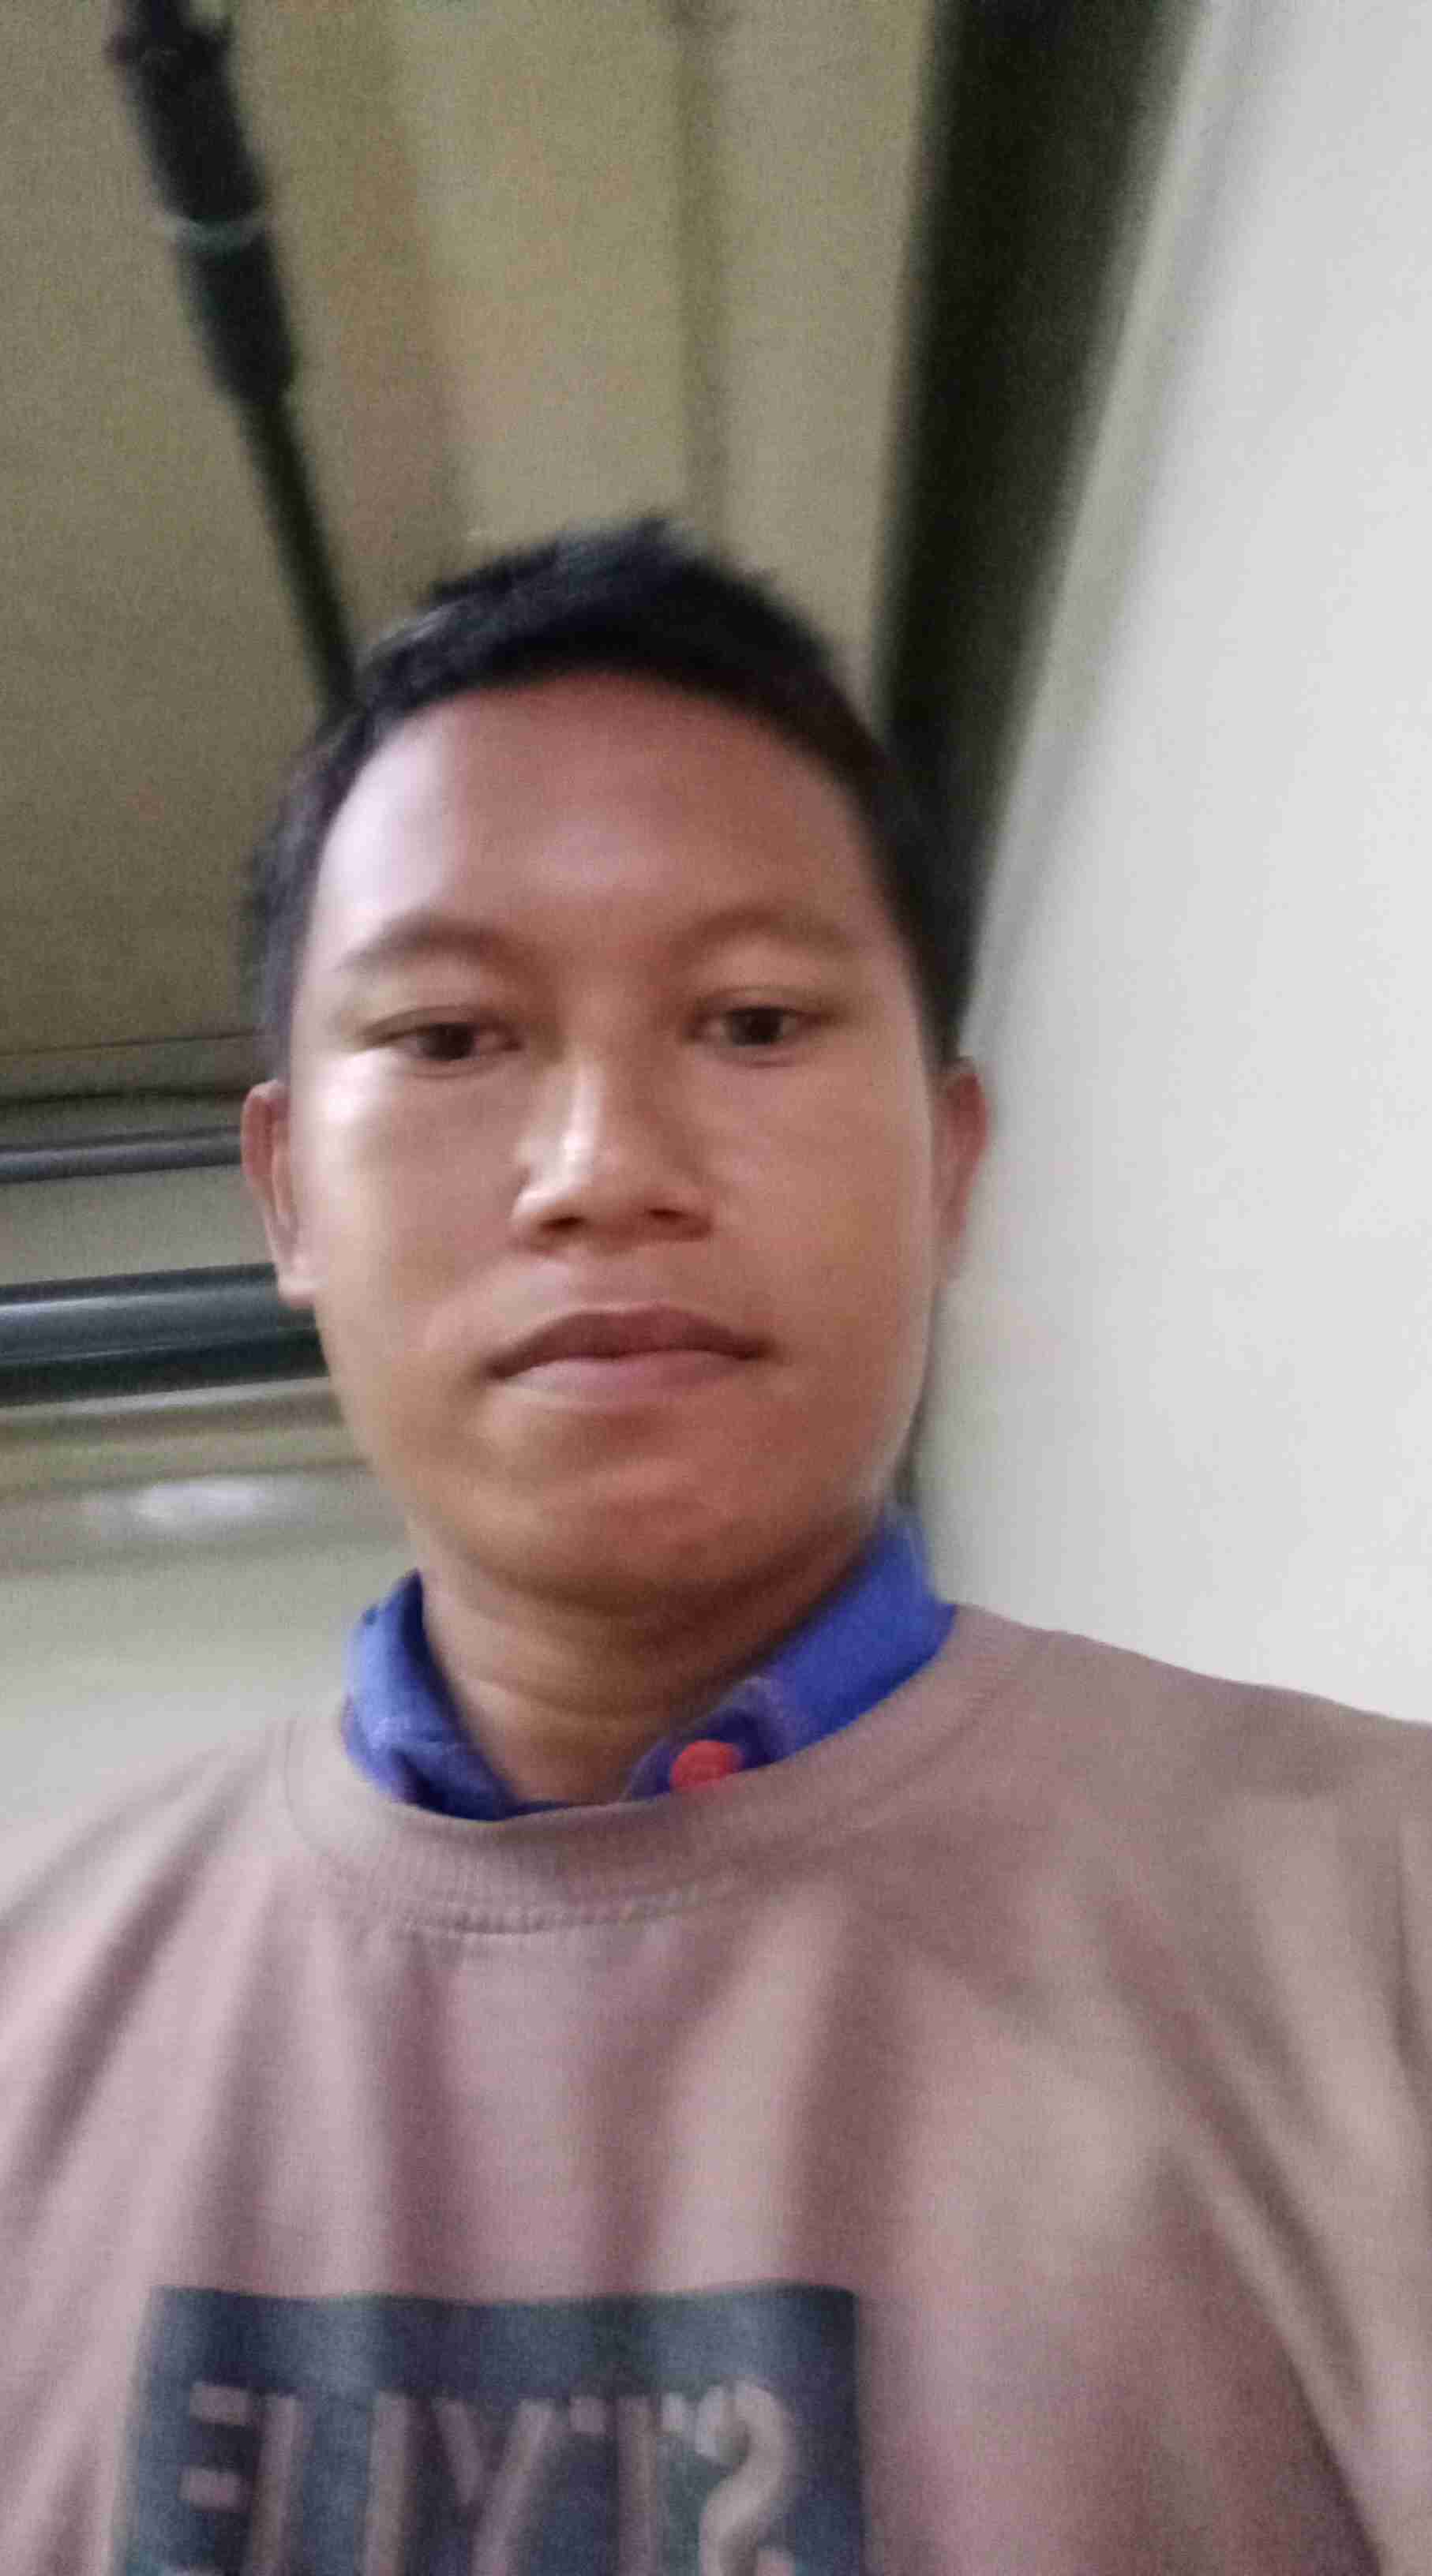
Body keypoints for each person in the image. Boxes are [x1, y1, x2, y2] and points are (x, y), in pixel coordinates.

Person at [4, 519, 1432, 2575]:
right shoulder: (29, 2009)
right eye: (451, 1037)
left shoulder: (1380, 1940)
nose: (603, 1171)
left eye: (754, 1022)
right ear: (289, 1191)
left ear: (947, 1167)